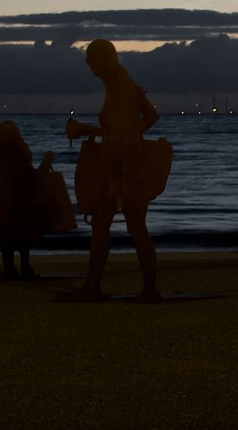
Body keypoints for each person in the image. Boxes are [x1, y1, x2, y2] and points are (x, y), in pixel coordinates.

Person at [62, 39, 162, 302]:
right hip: (127, 161)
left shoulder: (120, 86)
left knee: (112, 226)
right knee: (131, 227)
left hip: (123, 166)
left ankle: (96, 287)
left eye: (91, 58)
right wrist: (134, 136)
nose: (87, 64)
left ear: (103, 60)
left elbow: (122, 131)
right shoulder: (121, 83)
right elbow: (151, 116)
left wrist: (85, 129)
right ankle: (146, 289)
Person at [0, 121, 54, 280]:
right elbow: (32, 177)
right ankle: (24, 267)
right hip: (22, 202)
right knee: (22, 239)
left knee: (8, 239)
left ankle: (10, 269)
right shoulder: (24, 155)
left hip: (10, 204)